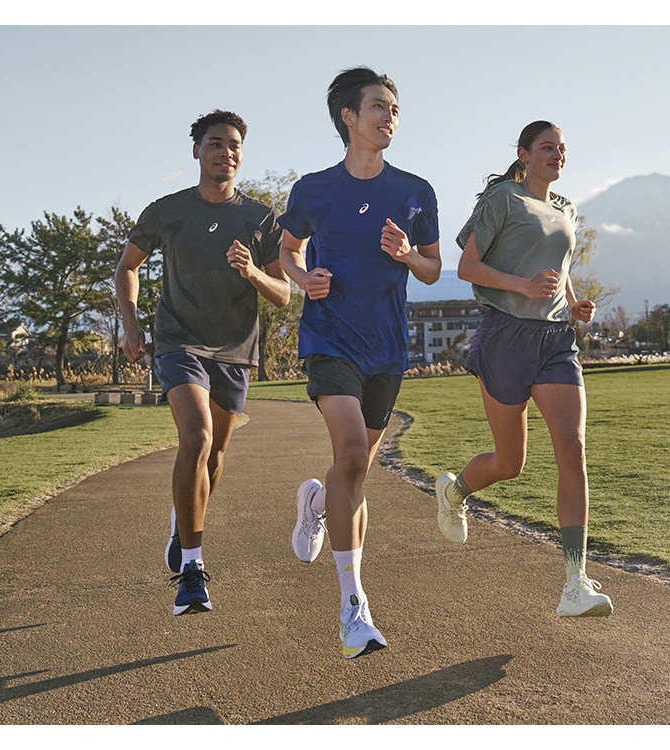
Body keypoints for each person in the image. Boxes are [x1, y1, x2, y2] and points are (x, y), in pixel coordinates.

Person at [276, 67, 441, 659]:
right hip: (329, 339)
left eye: (394, 108)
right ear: (349, 116)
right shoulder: (313, 189)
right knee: (350, 455)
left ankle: (317, 503)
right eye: (378, 106)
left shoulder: (416, 190)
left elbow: (431, 267)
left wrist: (406, 254)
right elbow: (287, 251)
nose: (389, 116)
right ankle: (353, 607)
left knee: (354, 473)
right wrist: (302, 278)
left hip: (387, 348)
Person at [116, 110, 292, 616]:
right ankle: (191, 569)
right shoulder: (167, 211)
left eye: (234, 145)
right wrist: (130, 325)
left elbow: (283, 294)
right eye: (215, 143)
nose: (226, 152)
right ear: (196, 151)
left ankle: (182, 522)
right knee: (197, 438)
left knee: (213, 461)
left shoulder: (260, 218)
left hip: (235, 350)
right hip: (178, 342)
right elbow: (127, 267)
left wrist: (253, 272)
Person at [437, 121, 612, 618]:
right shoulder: (503, 202)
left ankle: (574, 581)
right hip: (505, 336)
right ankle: (455, 491)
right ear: (524, 154)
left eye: (562, 149)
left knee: (572, 451)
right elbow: (467, 266)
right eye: (547, 148)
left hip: (556, 341)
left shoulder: (566, 209)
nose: (557, 155)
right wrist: (521, 285)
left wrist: (574, 304)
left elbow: (561, 269)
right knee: (510, 463)